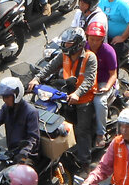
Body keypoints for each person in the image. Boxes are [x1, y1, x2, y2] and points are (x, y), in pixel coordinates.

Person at [27, 27, 95, 165]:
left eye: (68, 43)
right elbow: (50, 67)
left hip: (83, 98)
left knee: (82, 130)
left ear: (78, 44)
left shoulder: (90, 57)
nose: (64, 46)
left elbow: (89, 80)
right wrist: (37, 79)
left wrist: (77, 94)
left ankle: (85, 162)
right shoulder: (63, 55)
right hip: (64, 94)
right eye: (64, 43)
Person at [86, 21, 118, 155]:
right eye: (91, 39)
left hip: (103, 82)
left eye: (97, 40)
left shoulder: (108, 51)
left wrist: (106, 87)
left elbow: (113, 75)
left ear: (102, 39)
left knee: (99, 102)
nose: (93, 42)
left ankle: (100, 134)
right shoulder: (84, 47)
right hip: (87, 81)